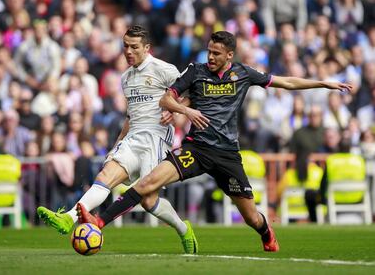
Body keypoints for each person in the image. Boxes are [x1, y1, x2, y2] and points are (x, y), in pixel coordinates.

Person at [78, 31, 353, 252]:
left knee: (251, 217)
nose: (210, 56)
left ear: (229, 55)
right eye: (209, 51)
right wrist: (187, 110)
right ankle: (99, 221)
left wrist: (323, 83)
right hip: (195, 148)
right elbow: (166, 98)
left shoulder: (243, 74)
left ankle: (266, 231)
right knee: (148, 183)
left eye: (216, 53)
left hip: (227, 156)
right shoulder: (195, 72)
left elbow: (287, 82)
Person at [37, 25, 198, 254]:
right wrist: (116, 145)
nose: (128, 51)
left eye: (134, 47)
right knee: (104, 176)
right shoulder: (125, 78)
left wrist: (177, 109)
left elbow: (193, 91)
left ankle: (184, 230)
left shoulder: (163, 69)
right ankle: (68, 218)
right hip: (133, 137)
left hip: (157, 138)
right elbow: (131, 116)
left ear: (147, 48)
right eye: (125, 46)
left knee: (149, 201)